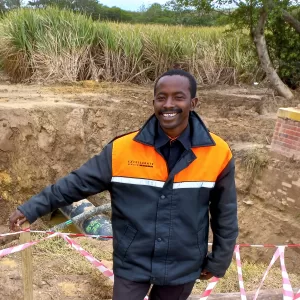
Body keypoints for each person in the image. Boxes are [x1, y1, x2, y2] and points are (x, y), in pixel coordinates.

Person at [9, 69, 238, 300]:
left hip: (183, 265)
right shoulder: (122, 150)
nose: (168, 104)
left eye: (178, 97)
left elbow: (225, 213)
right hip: (132, 262)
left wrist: (219, 260)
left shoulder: (218, 153)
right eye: (161, 97)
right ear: (154, 102)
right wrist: (31, 208)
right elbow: (75, 184)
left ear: (193, 102)